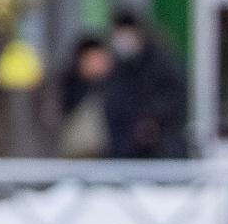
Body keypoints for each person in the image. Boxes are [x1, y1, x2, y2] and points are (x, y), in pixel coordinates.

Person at [100, 10, 189, 160]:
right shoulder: (116, 66)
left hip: (162, 150)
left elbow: (174, 98)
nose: (123, 40)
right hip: (124, 152)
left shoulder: (162, 63)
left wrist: (151, 121)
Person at [56, 35, 113, 159]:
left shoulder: (118, 85)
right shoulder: (69, 84)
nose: (96, 64)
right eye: (91, 59)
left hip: (112, 158)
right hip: (73, 156)